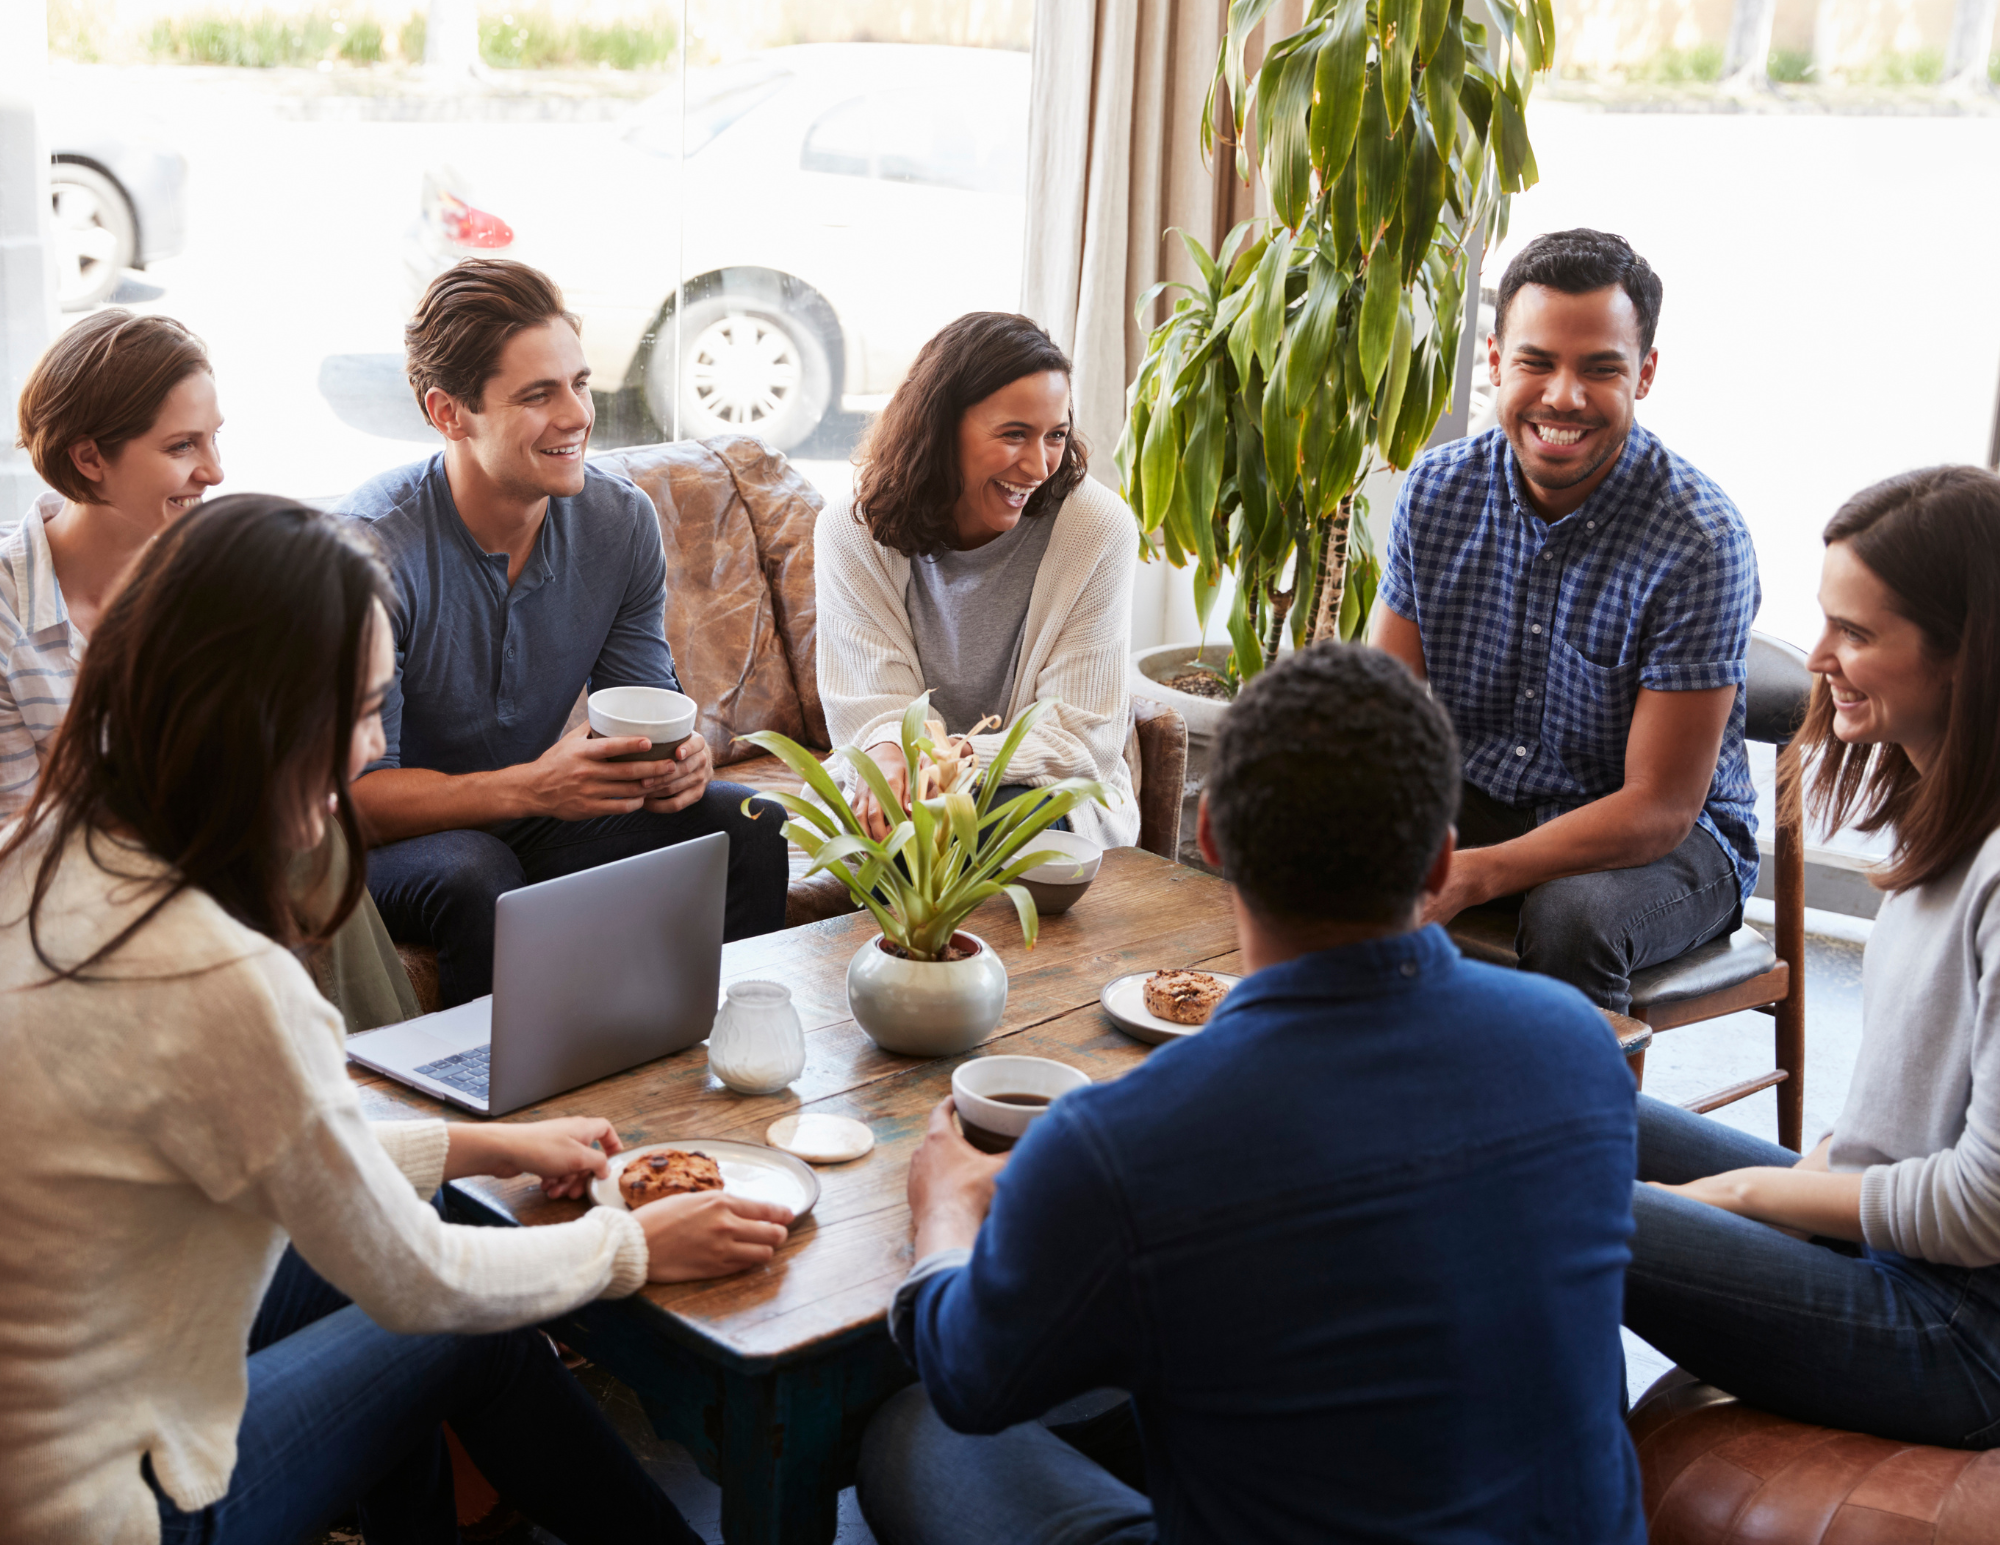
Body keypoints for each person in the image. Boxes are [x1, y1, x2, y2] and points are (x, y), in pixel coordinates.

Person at [0, 494, 794, 1543]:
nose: (371, 747)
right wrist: (629, 1244)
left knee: (454, 1222)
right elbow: (415, 1279)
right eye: (365, 710)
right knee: (463, 1329)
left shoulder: (47, 844)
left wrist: (478, 1143)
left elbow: (284, 1140)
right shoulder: (216, 973)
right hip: (100, 1507)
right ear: (266, 721)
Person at [858, 643, 1645, 1544]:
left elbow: (969, 1376)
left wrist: (946, 1214)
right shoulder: (1581, 1043)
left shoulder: (1125, 1143)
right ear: (1440, 864)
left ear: (1211, 840)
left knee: (917, 1430)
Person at [1627, 466, 2000, 1448]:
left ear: (1966, 654)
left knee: (1556, 1202)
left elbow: (1978, 1213)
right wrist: (1811, 1178)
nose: (1816, 656)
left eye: (1858, 634)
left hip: (1960, 1334)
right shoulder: (1941, 809)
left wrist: (1747, 1195)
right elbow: (1908, 1112)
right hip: (1883, 1248)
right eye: (1823, 620)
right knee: (1555, 1107)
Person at [344, 258, 787, 1008]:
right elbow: (355, 799)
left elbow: (645, 706)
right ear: (450, 412)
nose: (578, 415)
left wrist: (680, 764)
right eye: (537, 395)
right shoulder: (371, 550)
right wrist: (531, 786)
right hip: (394, 845)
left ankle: (725, 1062)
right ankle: (496, 1114)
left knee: (747, 824)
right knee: (475, 874)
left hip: (529, 813)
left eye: (579, 383)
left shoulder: (619, 522)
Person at [1369, 228, 1760, 1013]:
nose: (1563, 397)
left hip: (1671, 840)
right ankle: (1359, 1102)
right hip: (1479, 793)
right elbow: (1385, 715)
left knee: (1570, 918)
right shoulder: (1436, 492)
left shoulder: (1702, 541)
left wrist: (1477, 870)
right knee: (1283, 821)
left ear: (1644, 375)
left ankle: (1556, 1131)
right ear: (1495, 361)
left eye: (1600, 369)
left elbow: (1659, 807)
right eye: (1537, 362)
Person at [6, 308, 417, 1032]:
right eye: (182, 445)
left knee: (316, 830)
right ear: (89, 458)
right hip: (67, 885)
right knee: (305, 843)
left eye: (214, 436)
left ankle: (380, 1082)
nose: (215, 470)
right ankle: (368, 1097)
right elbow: (21, 833)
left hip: (195, 853)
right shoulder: (10, 616)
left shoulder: (203, 575)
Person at [816, 311, 1138, 850]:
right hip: (908, 787)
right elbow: (870, 703)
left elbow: (1080, 740)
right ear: (940, 430)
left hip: (1041, 795)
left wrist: (956, 760)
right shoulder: (853, 527)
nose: (1039, 467)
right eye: (1014, 435)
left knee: (961, 830)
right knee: (877, 827)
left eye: (1055, 435)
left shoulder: (1096, 530)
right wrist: (889, 755)